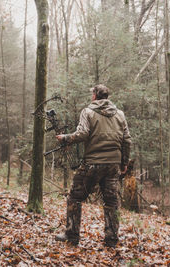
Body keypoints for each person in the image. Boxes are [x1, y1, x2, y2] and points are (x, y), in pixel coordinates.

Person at [55, 84, 131, 247]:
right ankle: (111, 239)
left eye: (92, 94)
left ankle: (71, 235)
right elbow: (127, 140)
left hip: (93, 163)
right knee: (111, 201)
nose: (91, 97)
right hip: (113, 164)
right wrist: (124, 163)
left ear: (95, 96)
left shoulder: (88, 112)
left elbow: (82, 134)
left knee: (75, 197)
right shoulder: (120, 114)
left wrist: (65, 138)